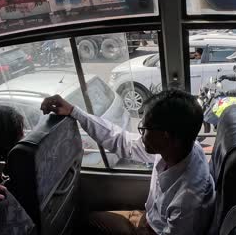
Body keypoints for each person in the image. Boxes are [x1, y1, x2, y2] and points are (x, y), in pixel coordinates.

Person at [40, 89, 215, 235]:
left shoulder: (188, 200)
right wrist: (74, 111)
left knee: (88, 225)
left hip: (153, 230)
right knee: (86, 220)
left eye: (144, 129)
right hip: (149, 218)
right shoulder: (180, 147)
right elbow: (120, 140)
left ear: (166, 136)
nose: (141, 135)